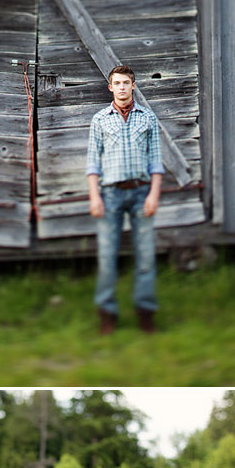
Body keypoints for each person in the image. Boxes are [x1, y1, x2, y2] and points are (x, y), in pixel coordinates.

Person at [86, 63, 163, 335]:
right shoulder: (100, 119)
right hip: (111, 194)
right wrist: (95, 197)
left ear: (133, 86)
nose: (121, 87)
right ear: (110, 87)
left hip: (142, 191)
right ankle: (107, 313)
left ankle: (145, 312)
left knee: (145, 256)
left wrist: (154, 194)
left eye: (126, 83)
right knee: (107, 256)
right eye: (116, 83)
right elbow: (93, 162)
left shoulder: (148, 118)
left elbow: (156, 161)